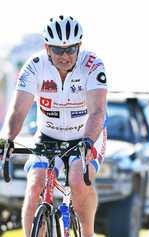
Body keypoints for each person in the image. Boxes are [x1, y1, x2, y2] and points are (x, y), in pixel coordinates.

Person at [0, 15, 107, 237]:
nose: (65, 56)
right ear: (47, 47)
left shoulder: (93, 65)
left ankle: (88, 233)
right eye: (58, 50)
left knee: (78, 181)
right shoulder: (34, 66)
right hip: (48, 136)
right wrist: (7, 138)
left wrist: (87, 142)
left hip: (86, 135)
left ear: (80, 46)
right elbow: (18, 111)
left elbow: (97, 111)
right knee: (34, 187)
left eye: (71, 49)